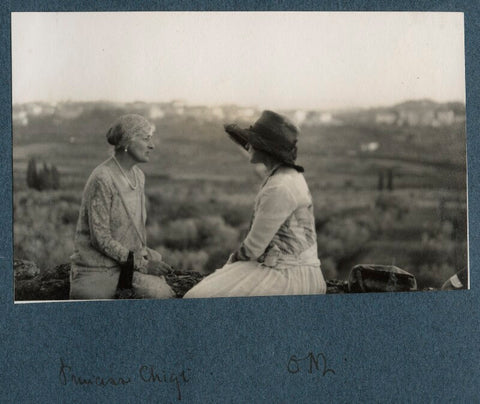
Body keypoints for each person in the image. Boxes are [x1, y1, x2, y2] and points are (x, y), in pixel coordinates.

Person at [184, 110, 327, 298]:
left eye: (253, 141)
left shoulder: (279, 187)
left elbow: (252, 249)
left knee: (196, 298)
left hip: (290, 277)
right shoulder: (287, 176)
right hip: (295, 270)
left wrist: (229, 264)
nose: (248, 145)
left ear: (266, 148)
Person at [69, 114, 174, 300]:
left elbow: (136, 230)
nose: (152, 146)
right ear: (127, 142)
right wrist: (142, 265)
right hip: (100, 268)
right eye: (146, 138)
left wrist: (143, 257)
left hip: (128, 265)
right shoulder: (103, 178)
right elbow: (100, 239)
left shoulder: (139, 176)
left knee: (163, 294)